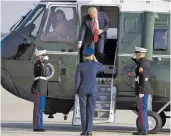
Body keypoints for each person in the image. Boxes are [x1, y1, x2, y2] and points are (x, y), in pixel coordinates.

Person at [75, 47, 104, 136]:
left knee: (83, 110)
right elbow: (102, 68)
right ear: (92, 56)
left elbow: (77, 80)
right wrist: (95, 61)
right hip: (93, 90)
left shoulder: (80, 66)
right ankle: (89, 130)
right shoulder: (95, 65)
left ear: (84, 56)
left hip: (82, 90)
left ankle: (84, 131)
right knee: (91, 110)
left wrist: (76, 91)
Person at [132, 47, 153, 135]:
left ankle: (145, 130)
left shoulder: (144, 63)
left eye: (136, 53)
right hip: (140, 89)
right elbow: (136, 61)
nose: (135, 54)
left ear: (140, 54)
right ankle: (140, 129)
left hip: (143, 90)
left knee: (143, 110)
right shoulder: (141, 62)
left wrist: (141, 91)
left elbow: (143, 79)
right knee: (140, 110)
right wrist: (134, 58)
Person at [31, 49, 49, 132]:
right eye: (44, 55)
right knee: (38, 109)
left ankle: (40, 126)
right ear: (40, 56)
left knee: (40, 109)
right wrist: (43, 62)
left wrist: (44, 63)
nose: (45, 57)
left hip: (42, 89)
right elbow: (43, 72)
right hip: (38, 88)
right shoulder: (37, 64)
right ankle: (37, 127)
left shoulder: (43, 64)